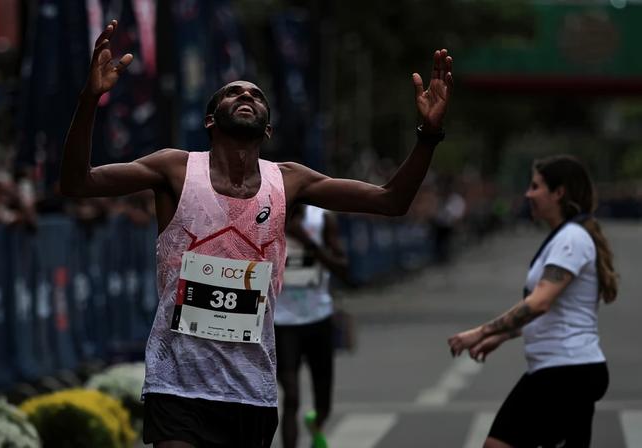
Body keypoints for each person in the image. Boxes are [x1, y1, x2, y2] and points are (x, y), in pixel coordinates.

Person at [60, 20, 452, 448]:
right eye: (234, 92)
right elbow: (78, 183)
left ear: (267, 129)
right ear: (211, 120)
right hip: (176, 384)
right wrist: (89, 100)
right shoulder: (174, 168)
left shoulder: (287, 180)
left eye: (256, 95)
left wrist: (428, 136)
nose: (246, 95)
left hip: (250, 391)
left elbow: (391, 201)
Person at [448, 155, 617, 448]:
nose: (528, 194)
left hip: (565, 371)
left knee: (498, 444)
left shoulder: (571, 239)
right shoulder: (565, 237)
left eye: (535, 186)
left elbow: (539, 304)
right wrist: (501, 336)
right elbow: (550, 314)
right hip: (569, 370)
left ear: (558, 193)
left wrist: (481, 331)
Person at [274, 205, 348, 448]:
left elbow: (342, 267)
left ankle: (317, 423)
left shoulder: (323, 219)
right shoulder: (268, 216)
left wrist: (307, 241)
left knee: (323, 403)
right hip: (282, 322)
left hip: (318, 318)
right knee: (291, 398)